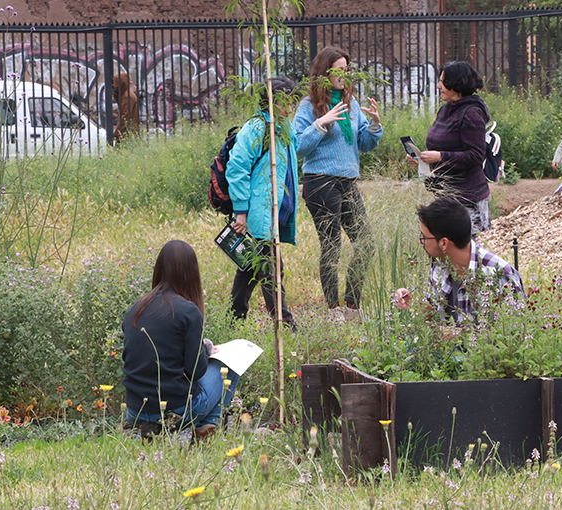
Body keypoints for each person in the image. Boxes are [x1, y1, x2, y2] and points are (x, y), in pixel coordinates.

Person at [292, 46, 382, 320]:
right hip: (320, 182)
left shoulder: (352, 104)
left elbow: (364, 144)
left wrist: (375, 125)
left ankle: (352, 305)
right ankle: (333, 309)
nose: (343, 75)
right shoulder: (309, 105)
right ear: (323, 73)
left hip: (348, 181)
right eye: (337, 70)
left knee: (366, 243)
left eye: (346, 70)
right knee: (332, 246)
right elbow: (296, 147)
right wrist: (320, 124)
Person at [122, 240, 238, 440]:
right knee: (232, 367)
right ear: (192, 273)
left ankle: (152, 432)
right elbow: (196, 370)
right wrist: (205, 350)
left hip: (135, 410)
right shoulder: (188, 311)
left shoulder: (135, 308)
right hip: (174, 412)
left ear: (158, 269)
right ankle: (206, 428)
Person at [226, 77, 299, 330]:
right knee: (271, 269)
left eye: (292, 103)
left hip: (273, 214)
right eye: (284, 103)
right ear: (269, 102)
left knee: (248, 267)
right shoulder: (257, 129)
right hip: (258, 214)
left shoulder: (283, 127)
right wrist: (241, 212)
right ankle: (285, 324)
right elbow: (236, 169)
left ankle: (233, 320)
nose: (289, 109)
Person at [394, 197, 525, 325]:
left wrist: (457, 336)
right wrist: (415, 303)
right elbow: (435, 313)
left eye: (424, 237)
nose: (421, 241)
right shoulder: (439, 263)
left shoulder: (500, 275)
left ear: (444, 243)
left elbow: (515, 334)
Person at [407, 61, 491, 235]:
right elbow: (443, 152)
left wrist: (440, 157)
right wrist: (423, 164)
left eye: (443, 82)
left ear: (457, 83)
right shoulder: (445, 110)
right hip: (446, 196)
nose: (438, 86)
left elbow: (476, 156)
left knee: (468, 254)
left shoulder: (471, 113)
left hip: (468, 199)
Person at [112, 72, 139, 142]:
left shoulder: (127, 97)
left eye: (114, 83)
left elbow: (125, 116)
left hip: (126, 134)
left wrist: (117, 133)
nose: (113, 85)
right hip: (127, 133)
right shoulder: (125, 95)